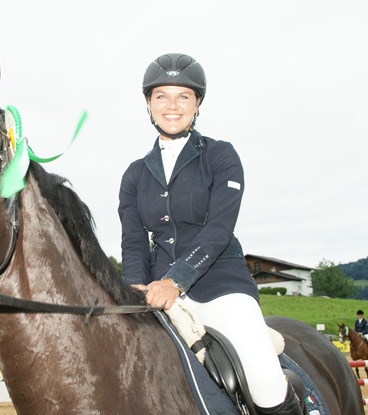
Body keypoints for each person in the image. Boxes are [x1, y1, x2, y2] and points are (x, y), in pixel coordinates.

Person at [118, 53, 304, 414]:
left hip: (220, 286)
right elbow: (133, 241)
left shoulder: (220, 156)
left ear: (197, 103)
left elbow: (219, 229)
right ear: (149, 103)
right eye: (162, 96)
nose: (172, 106)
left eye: (183, 96)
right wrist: (134, 287)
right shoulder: (134, 175)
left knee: (266, 383)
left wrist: (174, 281)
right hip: (157, 294)